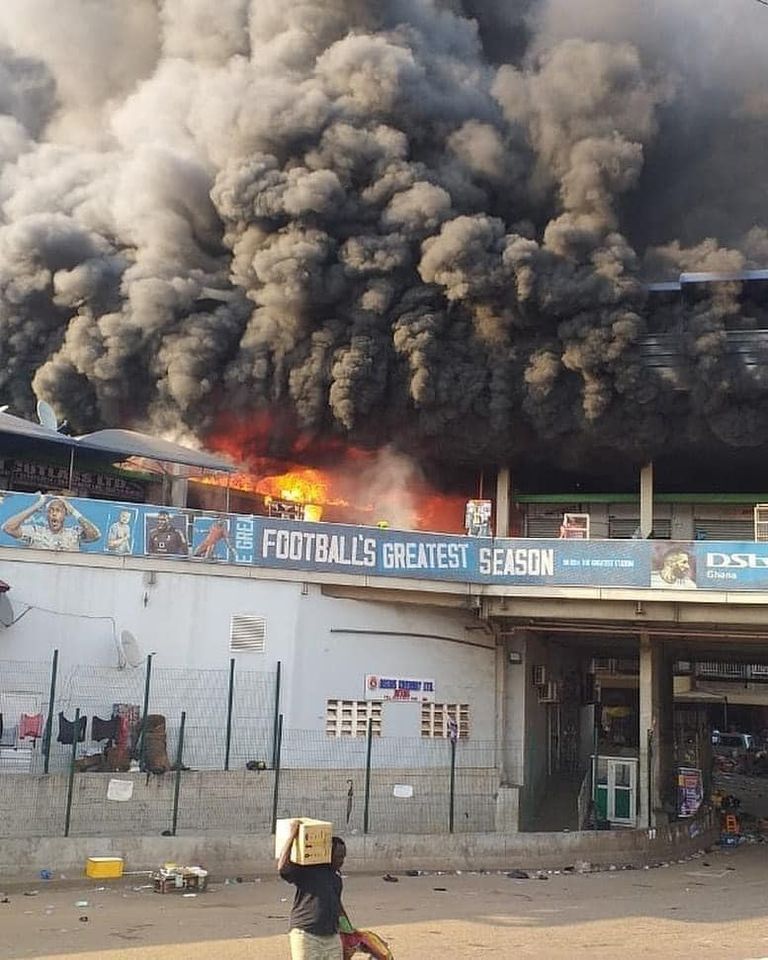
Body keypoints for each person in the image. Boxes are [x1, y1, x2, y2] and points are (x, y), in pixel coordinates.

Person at [278, 819, 347, 960]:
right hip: (306, 934)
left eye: (343, 857)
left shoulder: (336, 877)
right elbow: (282, 867)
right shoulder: (308, 870)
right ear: (328, 854)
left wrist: (349, 930)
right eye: (339, 856)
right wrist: (292, 835)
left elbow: (337, 905)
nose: (342, 861)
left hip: (332, 937)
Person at [2, 493, 101, 551]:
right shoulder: (36, 532)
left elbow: (95, 535)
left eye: (58, 510)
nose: (54, 514)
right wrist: (37, 506)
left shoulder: (74, 533)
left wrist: (74, 511)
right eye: (51, 510)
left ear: (65, 514)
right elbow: (8, 528)